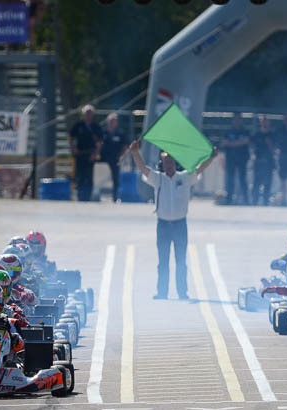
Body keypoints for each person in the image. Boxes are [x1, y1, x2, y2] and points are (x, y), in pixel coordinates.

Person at [129, 139, 218, 300]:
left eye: (171, 161)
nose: (168, 164)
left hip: (179, 225)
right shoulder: (158, 178)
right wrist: (135, 152)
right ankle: (162, 292)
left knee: (181, 261)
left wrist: (211, 158)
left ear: (175, 163)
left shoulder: (185, 177)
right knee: (162, 262)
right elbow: (144, 169)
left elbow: (199, 169)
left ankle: (182, 292)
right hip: (163, 225)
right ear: (162, 163)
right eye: (165, 161)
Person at [69, 105, 103, 201]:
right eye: (86, 113)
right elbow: (71, 137)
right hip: (80, 154)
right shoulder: (78, 125)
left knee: (89, 177)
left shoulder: (96, 126)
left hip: (90, 154)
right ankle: (80, 196)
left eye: (90, 113)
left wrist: (95, 154)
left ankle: (87, 197)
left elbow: (100, 142)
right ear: (83, 114)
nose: (88, 115)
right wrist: (73, 148)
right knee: (80, 176)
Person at [221, 112, 250, 205]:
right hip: (230, 159)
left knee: (243, 179)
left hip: (242, 159)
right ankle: (229, 199)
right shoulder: (228, 132)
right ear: (233, 120)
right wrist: (240, 143)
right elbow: (224, 143)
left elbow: (247, 141)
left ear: (241, 120)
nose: (237, 121)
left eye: (239, 119)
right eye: (235, 119)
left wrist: (232, 143)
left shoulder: (245, 131)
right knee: (230, 179)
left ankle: (246, 200)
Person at [101, 113, 129, 202]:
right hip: (103, 159)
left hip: (115, 159)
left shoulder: (120, 133)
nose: (112, 123)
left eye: (114, 121)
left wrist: (121, 156)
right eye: (110, 121)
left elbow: (125, 146)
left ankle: (114, 197)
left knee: (115, 179)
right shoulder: (103, 132)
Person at [251, 115, 276, 206]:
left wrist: (270, 145)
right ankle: (254, 201)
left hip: (269, 162)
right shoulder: (256, 135)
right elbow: (251, 147)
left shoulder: (272, 135)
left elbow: (275, 150)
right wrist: (252, 156)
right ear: (260, 123)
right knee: (256, 183)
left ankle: (266, 202)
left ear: (269, 123)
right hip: (258, 162)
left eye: (266, 121)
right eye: (263, 121)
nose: (265, 123)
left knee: (268, 183)